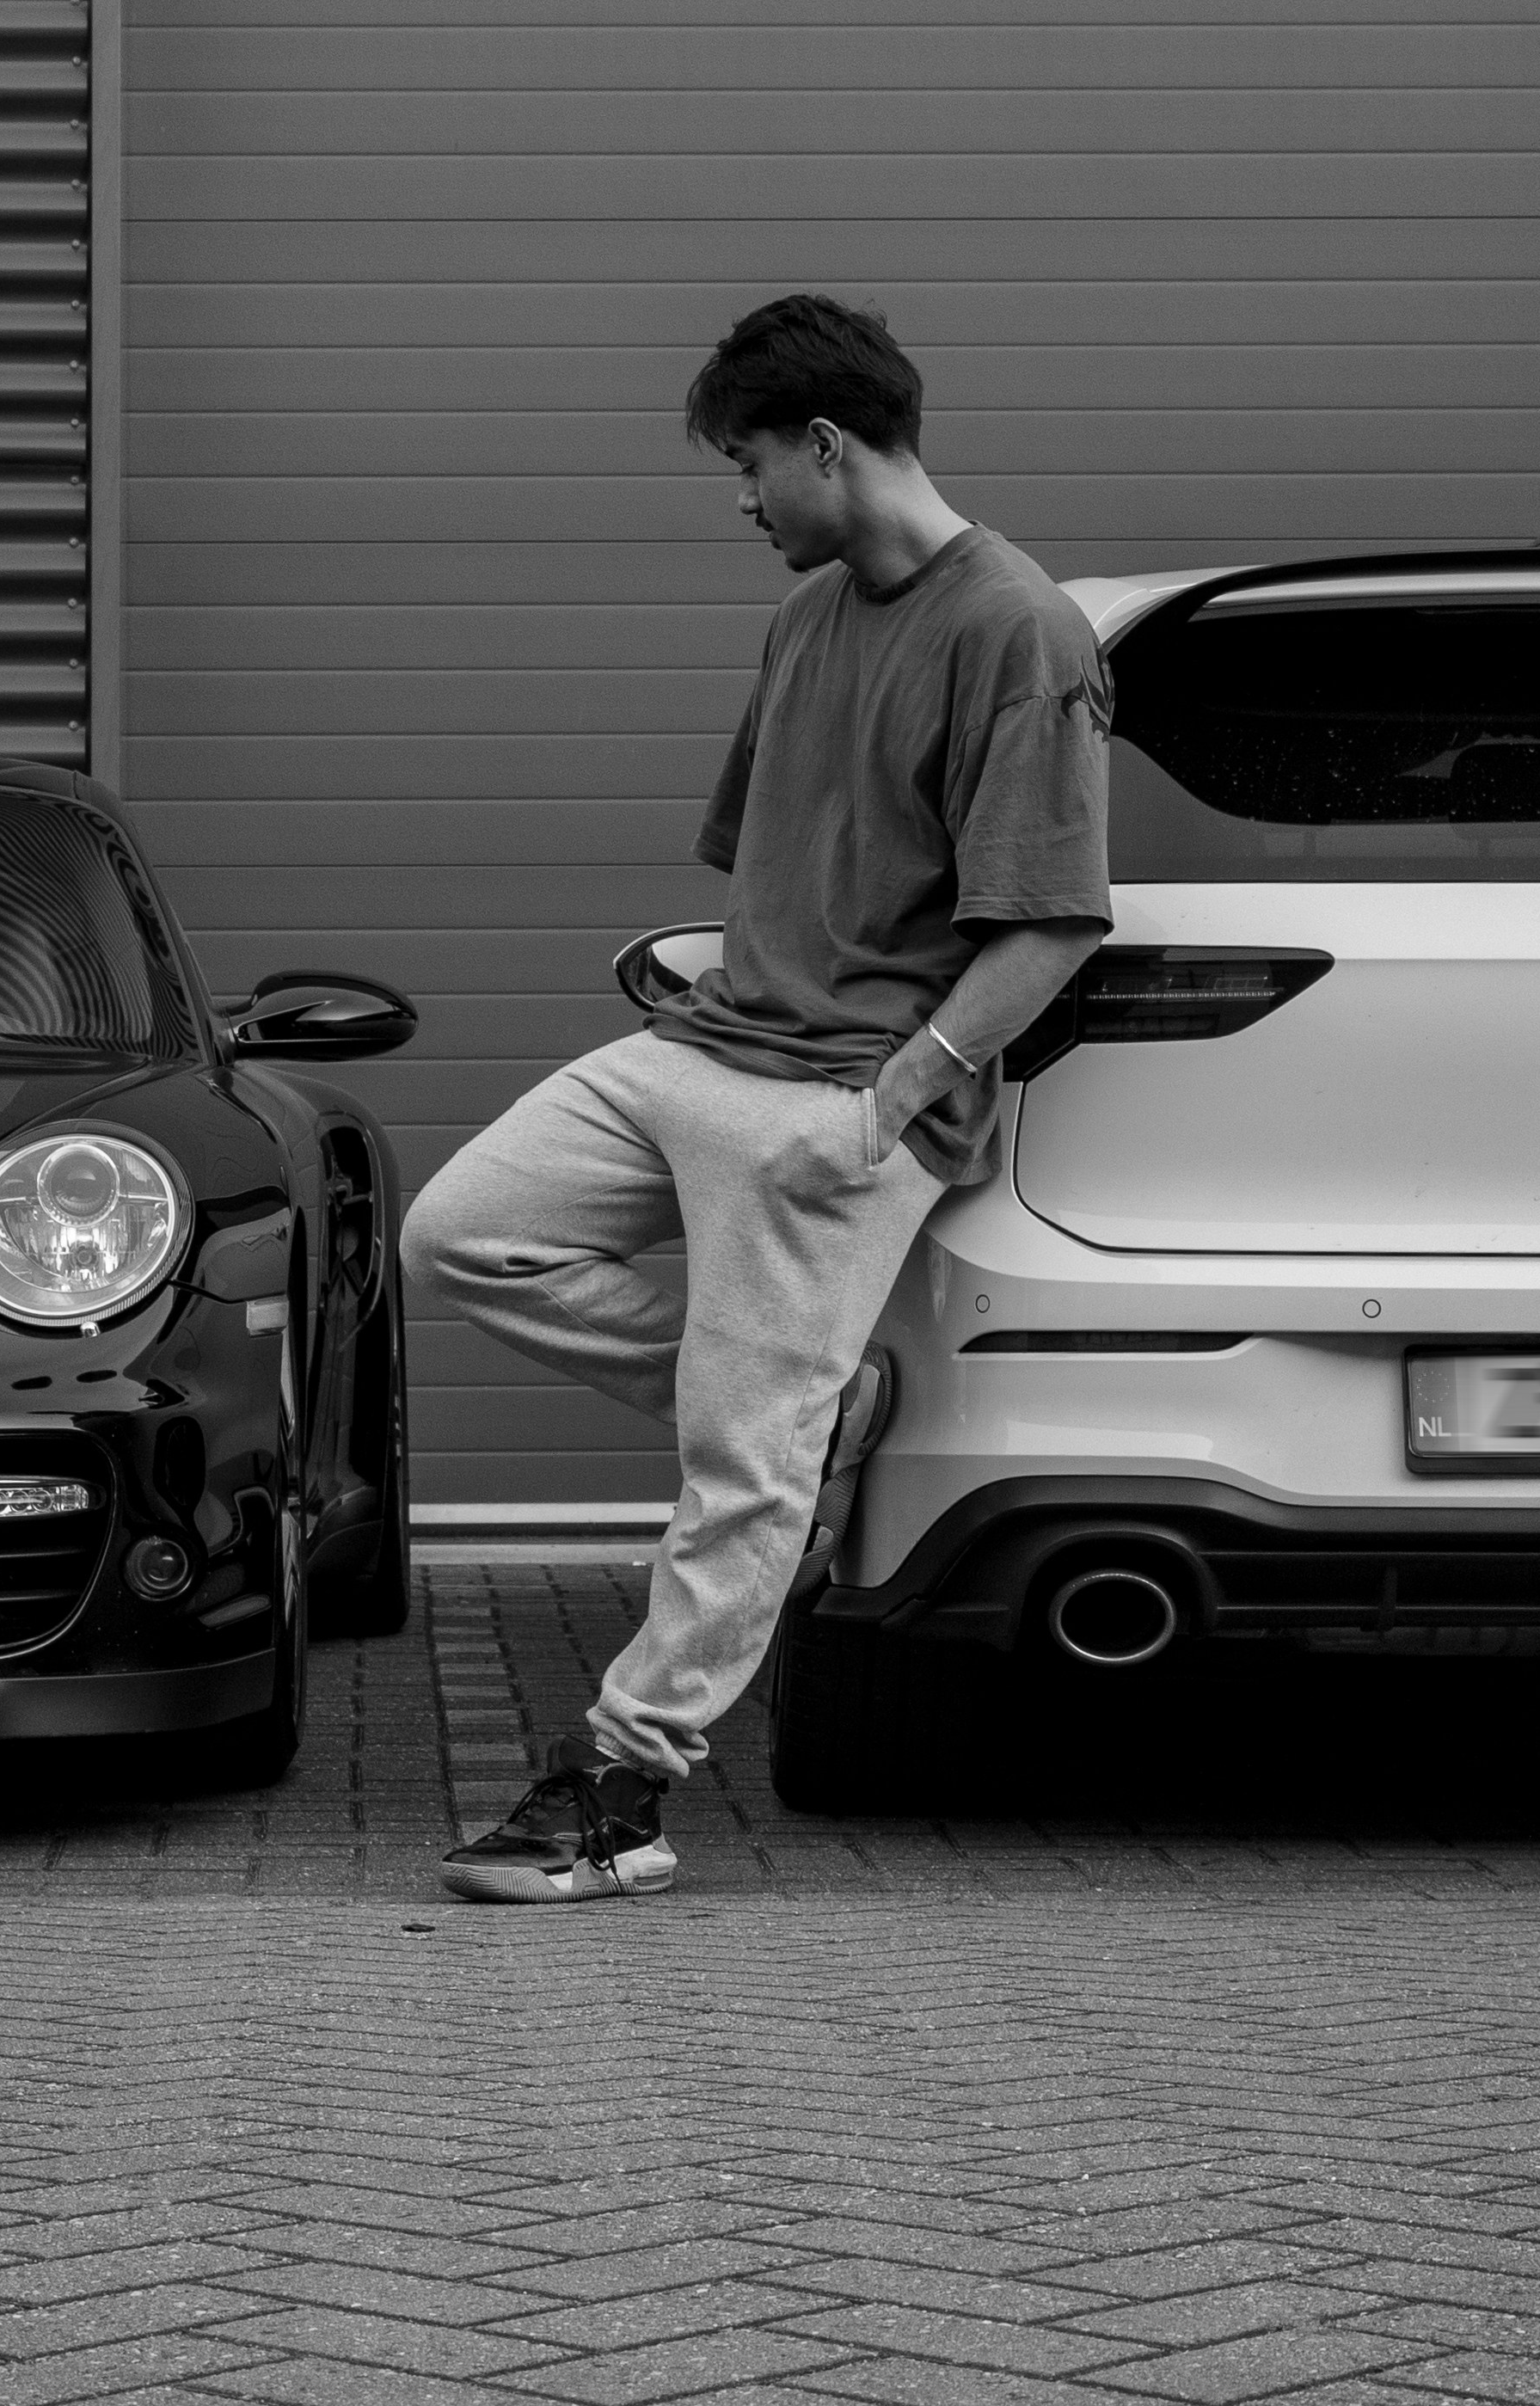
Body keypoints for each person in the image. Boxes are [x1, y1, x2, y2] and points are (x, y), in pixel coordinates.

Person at [405, 293, 1110, 1898]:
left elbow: (1053, 923)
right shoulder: (807, 618)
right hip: (709, 1044)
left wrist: (884, 1108)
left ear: (827, 444)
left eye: (746, 462)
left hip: (844, 1099)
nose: (739, 497)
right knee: (459, 1236)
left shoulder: (1018, 631)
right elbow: (782, 862)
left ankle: (621, 1794)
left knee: (740, 1467)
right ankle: (818, 1412)